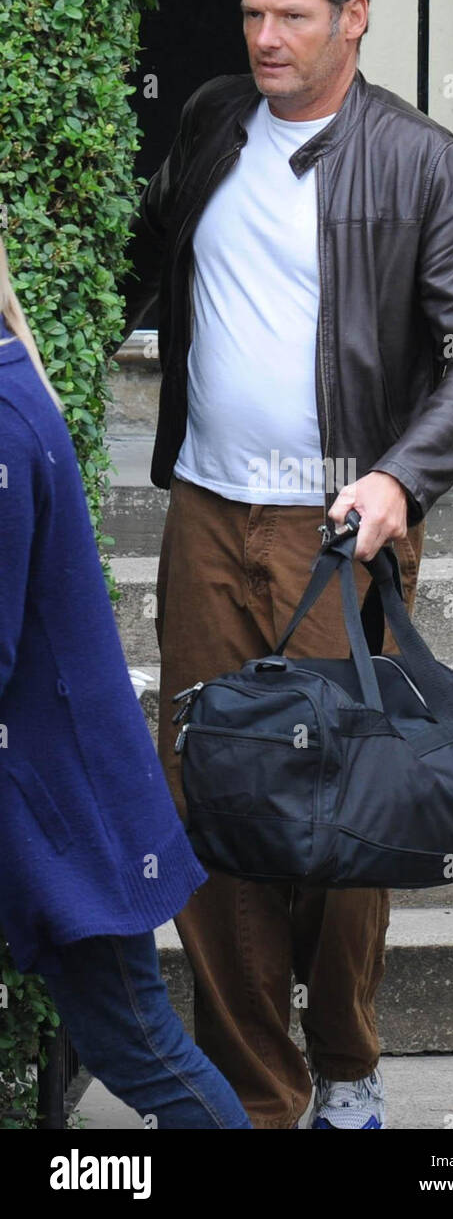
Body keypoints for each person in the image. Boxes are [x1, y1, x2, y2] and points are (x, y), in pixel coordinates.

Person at [115, 0, 453, 1130]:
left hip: (340, 528)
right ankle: (253, 1095)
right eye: (252, 12)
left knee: (349, 803)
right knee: (213, 791)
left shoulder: (416, 158)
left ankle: (347, 1064)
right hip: (206, 511)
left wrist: (401, 477)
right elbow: (148, 259)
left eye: (293, 14)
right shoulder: (211, 122)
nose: (265, 37)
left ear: (353, 16)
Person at [0, 237, 251, 1129]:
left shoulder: (1, 415)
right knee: (133, 1042)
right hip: (65, 795)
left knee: (140, 1048)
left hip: (70, 806)